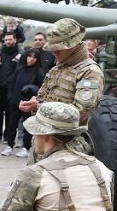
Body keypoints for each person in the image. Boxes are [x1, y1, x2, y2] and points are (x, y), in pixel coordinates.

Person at [20, 18, 105, 157]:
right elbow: (45, 97)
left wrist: (39, 106)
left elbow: (81, 112)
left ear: (74, 45)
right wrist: (35, 104)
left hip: (66, 146)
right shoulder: (57, 68)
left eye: (58, 48)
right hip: (44, 140)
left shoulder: (89, 72)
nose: (54, 52)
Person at [4, 48, 46, 157]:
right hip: (15, 102)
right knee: (11, 125)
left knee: (27, 125)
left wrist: (32, 91)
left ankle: (26, 148)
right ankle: (9, 145)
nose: (31, 59)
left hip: (29, 103)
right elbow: (11, 84)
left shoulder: (39, 72)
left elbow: (41, 88)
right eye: (29, 56)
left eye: (34, 57)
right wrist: (10, 98)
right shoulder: (19, 69)